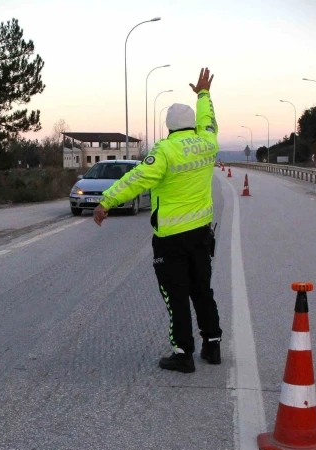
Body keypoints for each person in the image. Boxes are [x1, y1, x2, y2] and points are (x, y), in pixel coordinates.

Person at [93, 67, 222, 374]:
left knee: (176, 295)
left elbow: (136, 179)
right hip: (201, 234)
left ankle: (183, 353)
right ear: (190, 125)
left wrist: (106, 201)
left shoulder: (164, 151)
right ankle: (213, 345)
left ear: (168, 127)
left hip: (171, 239)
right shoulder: (208, 142)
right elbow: (209, 121)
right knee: (202, 291)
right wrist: (204, 94)